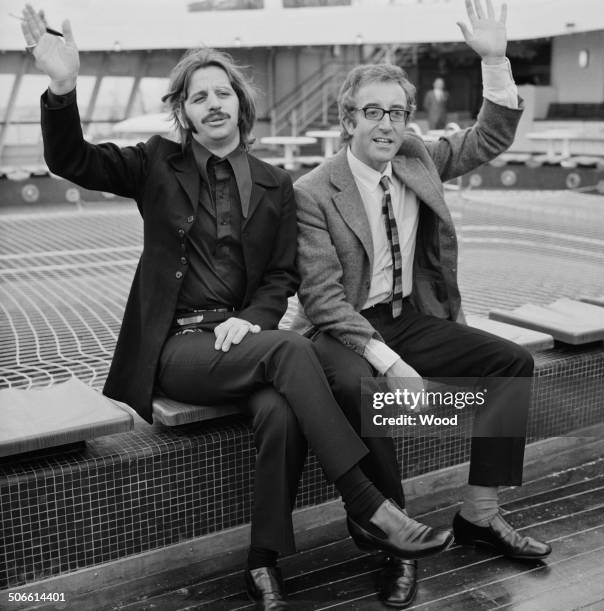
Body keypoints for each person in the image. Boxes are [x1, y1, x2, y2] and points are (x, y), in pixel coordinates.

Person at [21, 4, 454, 609]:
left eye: (223, 92)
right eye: (199, 97)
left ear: (241, 105)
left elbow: (278, 279)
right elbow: (73, 161)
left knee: (280, 411)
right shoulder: (153, 164)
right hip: (178, 348)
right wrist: (62, 87)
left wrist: (248, 322)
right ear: (185, 113)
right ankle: (368, 503)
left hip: (244, 345)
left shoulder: (277, 184)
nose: (214, 103)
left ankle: (263, 562)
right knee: (295, 349)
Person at [292, 0, 552, 607]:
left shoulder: (418, 156)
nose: (388, 124)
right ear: (347, 122)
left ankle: (479, 516)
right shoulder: (312, 192)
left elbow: (490, 135)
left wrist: (494, 61)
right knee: (375, 398)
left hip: (411, 315)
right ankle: (396, 542)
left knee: (511, 365)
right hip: (347, 330)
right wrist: (390, 363)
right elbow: (324, 300)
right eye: (374, 112)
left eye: (398, 112)